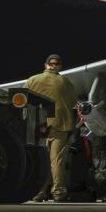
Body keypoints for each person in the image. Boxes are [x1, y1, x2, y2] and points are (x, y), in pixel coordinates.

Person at [27, 54, 79, 202]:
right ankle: (58, 192)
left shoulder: (32, 80)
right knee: (56, 161)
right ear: (59, 66)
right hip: (59, 125)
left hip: (37, 126)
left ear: (46, 65)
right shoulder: (65, 82)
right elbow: (72, 102)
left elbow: (24, 100)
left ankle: (38, 192)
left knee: (39, 160)